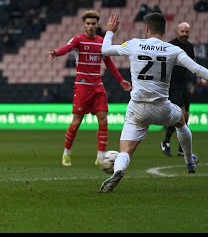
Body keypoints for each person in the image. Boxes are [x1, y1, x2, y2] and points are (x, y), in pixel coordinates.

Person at [99, 12, 208, 193]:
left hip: (137, 108)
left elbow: (105, 50)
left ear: (147, 29)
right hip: (162, 108)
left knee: (125, 150)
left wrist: (110, 32)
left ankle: (118, 170)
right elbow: (197, 70)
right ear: (164, 31)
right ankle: (189, 161)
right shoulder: (173, 50)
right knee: (181, 121)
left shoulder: (134, 44)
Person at [49, 10, 132, 167]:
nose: (91, 26)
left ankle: (100, 157)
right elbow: (66, 48)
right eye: (88, 23)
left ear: (97, 25)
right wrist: (56, 53)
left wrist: (121, 80)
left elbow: (109, 64)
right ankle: (66, 153)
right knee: (76, 122)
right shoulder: (78, 40)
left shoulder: (102, 42)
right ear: (84, 24)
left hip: (98, 87)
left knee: (103, 120)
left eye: (93, 24)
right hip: (82, 87)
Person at [161, 22, 196, 157]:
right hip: (172, 84)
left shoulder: (189, 47)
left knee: (185, 116)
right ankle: (166, 141)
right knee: (180, 114)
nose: (184, 34)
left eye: (187, 32)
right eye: (182, 31)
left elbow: (192, 66)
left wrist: (193, 82)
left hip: (184, 84)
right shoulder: (170, 46)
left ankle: (181, 148)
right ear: (177, 32)